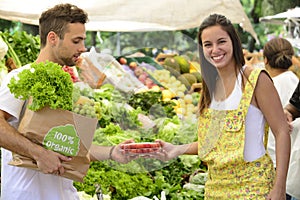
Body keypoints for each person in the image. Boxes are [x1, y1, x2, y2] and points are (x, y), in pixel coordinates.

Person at [0, 3, 132, 200]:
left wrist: (112, 152)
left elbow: (69, 147)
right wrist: (39, 154)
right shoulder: (20, 77)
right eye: (76, 41)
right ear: (52, 38)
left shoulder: (67, 86)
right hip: (27, 194)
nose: (83, 48)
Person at [153, 14, 291, 199]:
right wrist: (177, 149)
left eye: (221, 42)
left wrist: (280, 186)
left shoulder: (254, 79)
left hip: (253, 188)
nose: (215, 49)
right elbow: (215, 143)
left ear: (233, 42)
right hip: (215, 190)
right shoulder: (210, 87)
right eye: (208, 45)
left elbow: (281, 131)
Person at [263, 37, 299, 167]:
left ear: (265, 60)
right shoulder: (295, 80)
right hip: (294, 158)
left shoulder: (265, 86)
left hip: (273, 159)